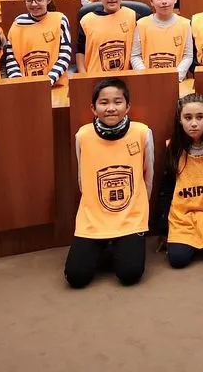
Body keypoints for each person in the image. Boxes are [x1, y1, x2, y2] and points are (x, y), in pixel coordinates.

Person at [64, 78, 154, 289]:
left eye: (117, 102)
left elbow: (147, 176)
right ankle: (103, 244)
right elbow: (82, 178)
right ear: (93, 108)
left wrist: (139, 208)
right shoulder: (83, 135)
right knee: (75, 277)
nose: (111, 108)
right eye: (104, 103)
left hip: (130, 216)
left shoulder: (142, 133)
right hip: (93, 217)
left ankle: (119, 245)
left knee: (130, 274)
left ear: (128, 106)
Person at [156, 93, 203, 269]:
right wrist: (163, 229)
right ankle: (192, 240)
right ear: (180, 120)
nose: (194, 123)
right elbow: (166, 189)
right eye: (188, 118)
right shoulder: (173, 147)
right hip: (185, 215)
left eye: (200, 117)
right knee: (178, 260)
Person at [3, 0, 72, 86]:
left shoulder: (60, 20)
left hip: (56, 85)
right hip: (24, 87)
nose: (34, 4)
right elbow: (10, 58)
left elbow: (65, 54)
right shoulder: (18, 23)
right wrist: (19, 82)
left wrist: (48, 81)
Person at [131, 0, 192, 81]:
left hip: (177, 82)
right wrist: (145, 75)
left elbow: (188, 56)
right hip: (148, 81)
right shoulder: (141, 24)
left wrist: (176, 77)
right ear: (151, 1)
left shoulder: (185, 24)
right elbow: (135, 56)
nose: (164, 1)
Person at [75, 0, 136, 74]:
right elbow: (80, 51)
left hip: (125, 78)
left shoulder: (133, 16)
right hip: (94, 78)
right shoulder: (86, 21)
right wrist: (83, 75)